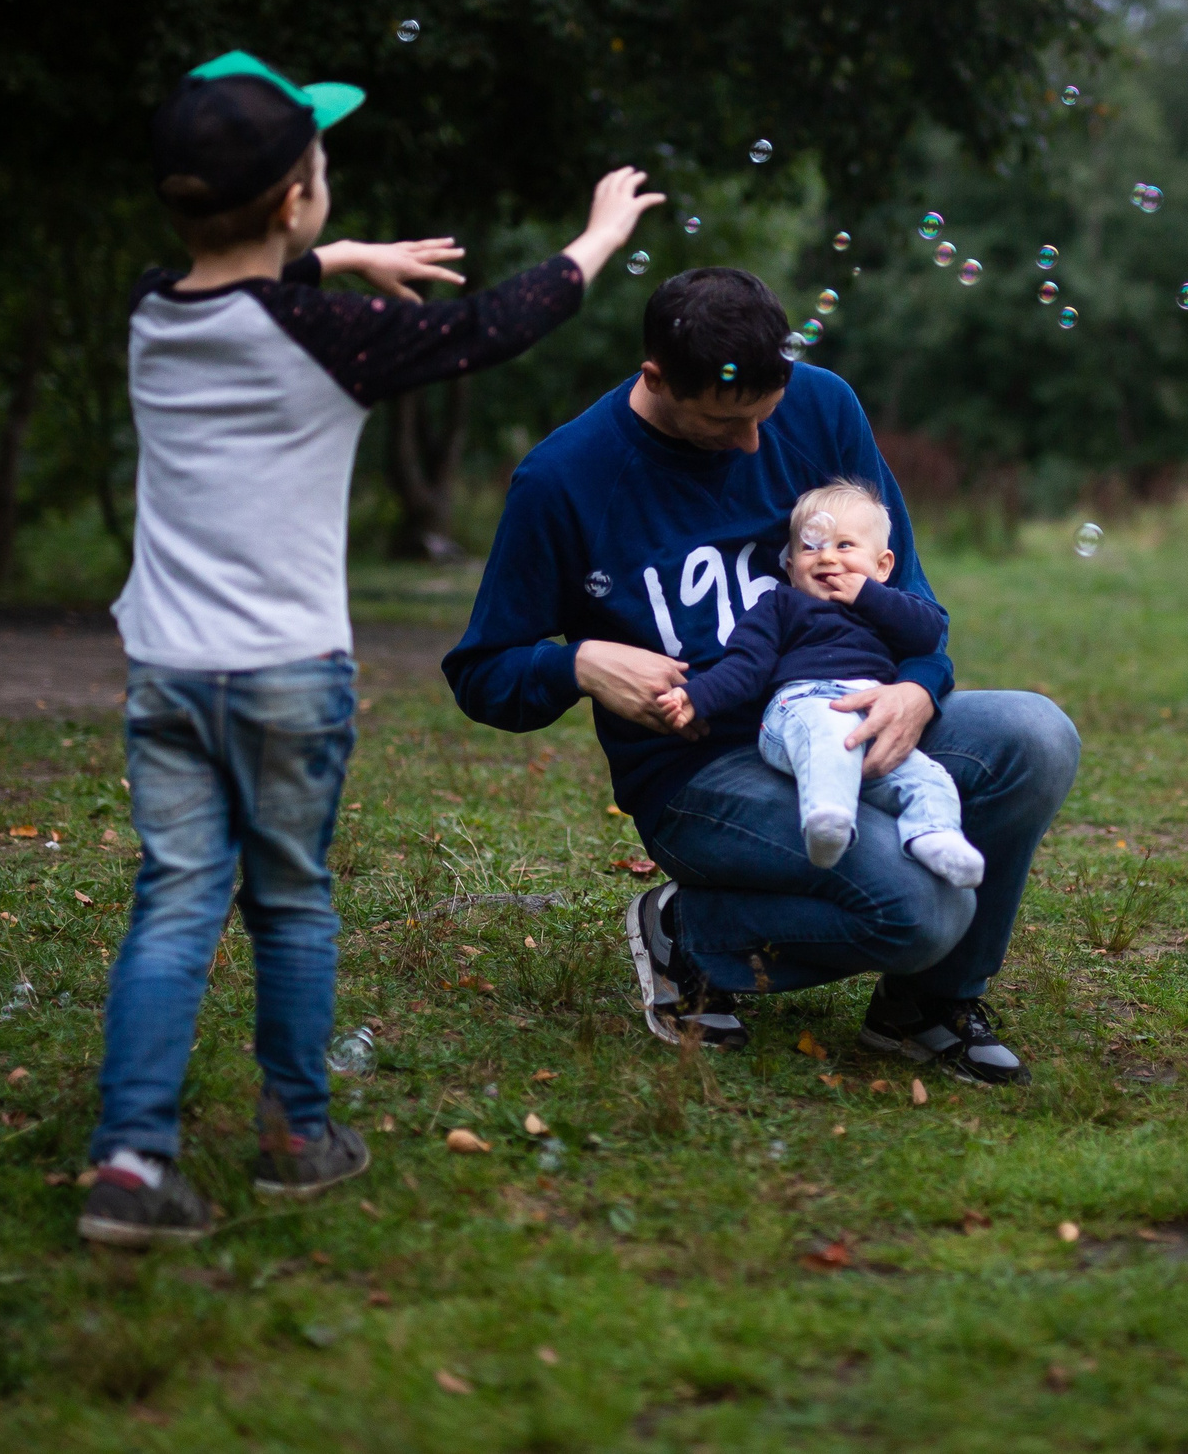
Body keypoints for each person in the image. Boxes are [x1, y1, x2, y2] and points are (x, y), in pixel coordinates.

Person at [81, 50, 662, 1247]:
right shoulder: (325, 339)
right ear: (297, 197)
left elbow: (244, 278)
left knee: (175, 902)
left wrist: (344, 259)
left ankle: (131, 1163)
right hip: (288, 672)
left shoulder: (151, 311)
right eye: (321, 166)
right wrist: (596, 238)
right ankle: (296, 1135)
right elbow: (493, 325)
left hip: (168, 669)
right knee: (288, 900)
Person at [443, 268, 1079, 1083]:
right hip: (700, 772)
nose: (751, 445)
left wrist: (918, 687)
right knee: (923, 908)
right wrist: (580, 661)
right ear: (656, 380)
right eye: (723, 422)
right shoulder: (564, 479)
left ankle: (926, 1005)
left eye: (763, 419)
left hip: (847, 709)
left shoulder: (821, 407)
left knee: (1039, 734)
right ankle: (693, 935)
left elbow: (910, 596)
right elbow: (481, 672)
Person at [653, 479, 987, 889]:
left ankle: (936, 835)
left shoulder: (886, 609)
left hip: (870, 716)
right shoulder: (781, 605)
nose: (827, 557)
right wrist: (695, 696)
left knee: (926, 776)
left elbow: (927, 634)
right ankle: (827, 819)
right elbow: (744, 667)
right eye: (811, 547)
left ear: (882, 566)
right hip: (801, 708)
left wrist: (869, 596)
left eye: (845, 546)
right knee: (829, 736)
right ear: (792, 569)